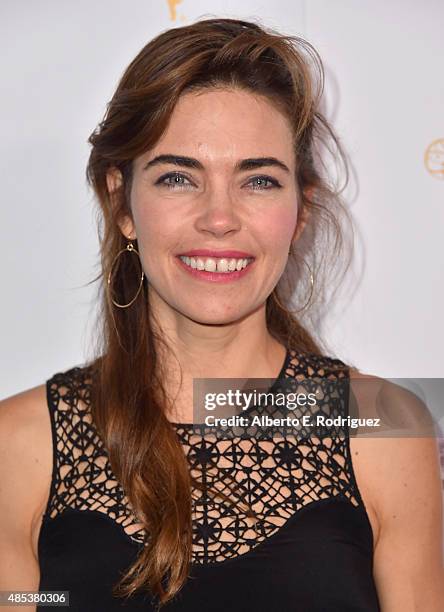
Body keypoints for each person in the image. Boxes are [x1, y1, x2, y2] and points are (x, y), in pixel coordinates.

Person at [0, 16, 443, 612]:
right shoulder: (20, 444)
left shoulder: (380, 423)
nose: (219, 217)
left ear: (300, 211)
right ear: (121, 202)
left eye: (258, 180)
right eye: (178, 177)